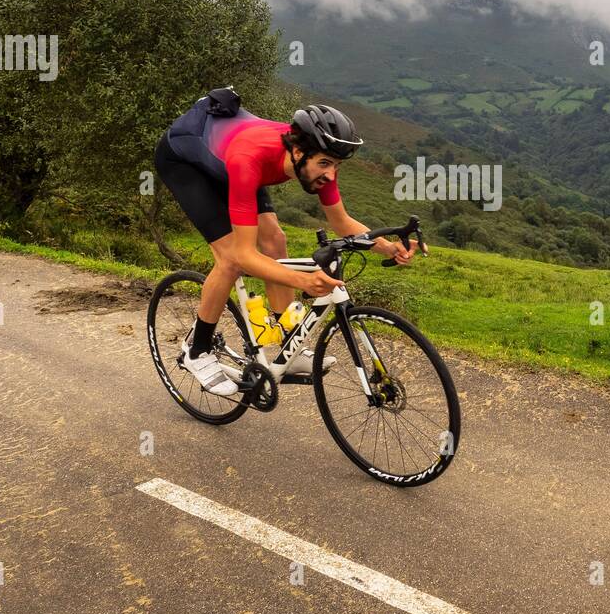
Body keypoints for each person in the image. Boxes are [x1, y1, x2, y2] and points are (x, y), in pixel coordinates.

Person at [153, 91, 415, 395]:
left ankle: (287, 342)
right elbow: (245, 255)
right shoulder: (250, 160)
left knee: (276, 239)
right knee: (232, 261)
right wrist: (302, 280)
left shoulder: (315, 159)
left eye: (337, 167)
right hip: (185, 161)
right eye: (326, 164)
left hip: (235, 162)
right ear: (298, 153)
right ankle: (197, 351)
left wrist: (385, 245)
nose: (330, 175)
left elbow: (341, 222)